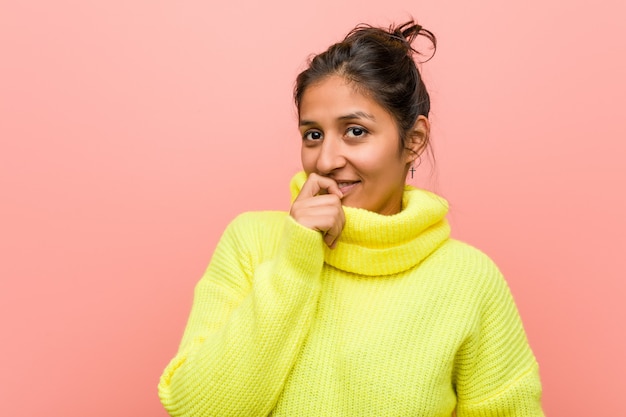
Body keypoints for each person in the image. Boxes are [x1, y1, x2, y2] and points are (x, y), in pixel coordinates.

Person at [158, 19, 544, 416]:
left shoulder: (469, 280)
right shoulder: (251, 242)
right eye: (313, 135)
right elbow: (197, 409)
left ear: (413, 141)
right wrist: (295, 260)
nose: (325, 161)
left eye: (355, 131)